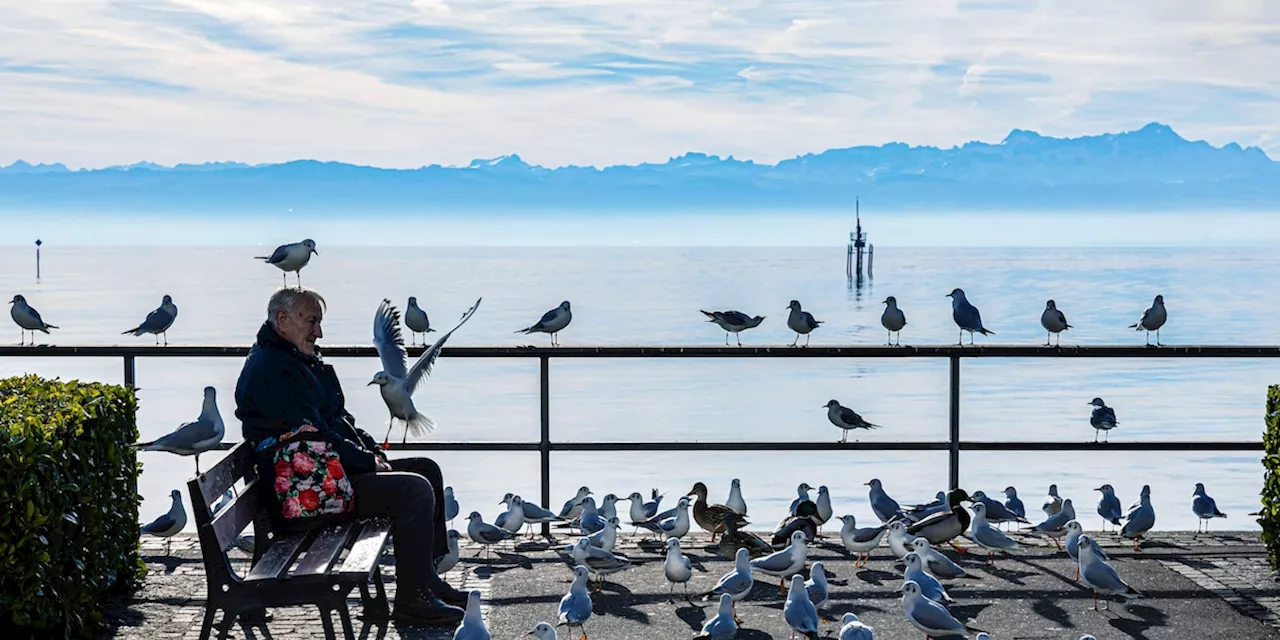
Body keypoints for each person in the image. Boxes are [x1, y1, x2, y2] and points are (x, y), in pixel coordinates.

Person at [234, 287, 467, 626]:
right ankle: (412, 601)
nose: (319, 332)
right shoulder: (273, 369)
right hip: (301, 495)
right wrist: (366, 461)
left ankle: (425, 580)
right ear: (283, 321)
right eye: (312, 321)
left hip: (318, 476)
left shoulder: (292, 359)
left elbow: (337, 422)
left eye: (319, 323)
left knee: (425, 470)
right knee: (412, 490)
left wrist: (370, 451)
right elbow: (314, 435)